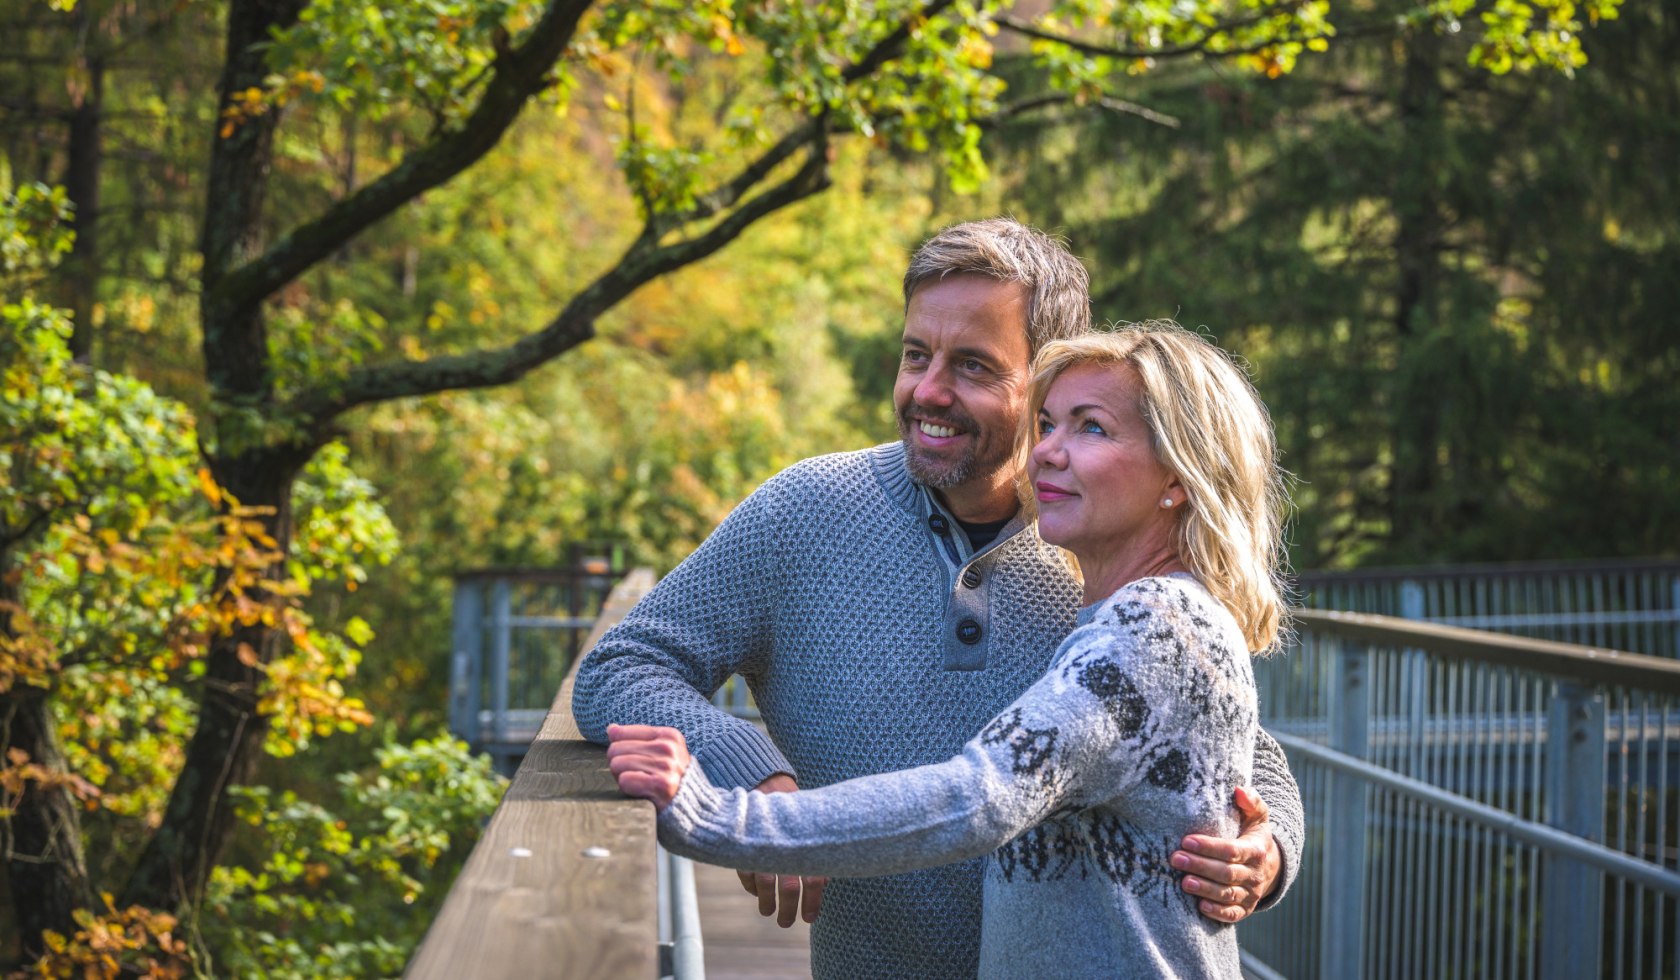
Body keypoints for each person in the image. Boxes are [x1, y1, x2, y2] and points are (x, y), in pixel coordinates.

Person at [571, 220, 1303, 979]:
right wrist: (753, 770)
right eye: (916, 354)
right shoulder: (804, 512)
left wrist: (1268, 843)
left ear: (1043, 373)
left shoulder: (1097, 549)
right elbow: (620, 669)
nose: (928, 390)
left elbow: (1234, 745)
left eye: (975, 367)